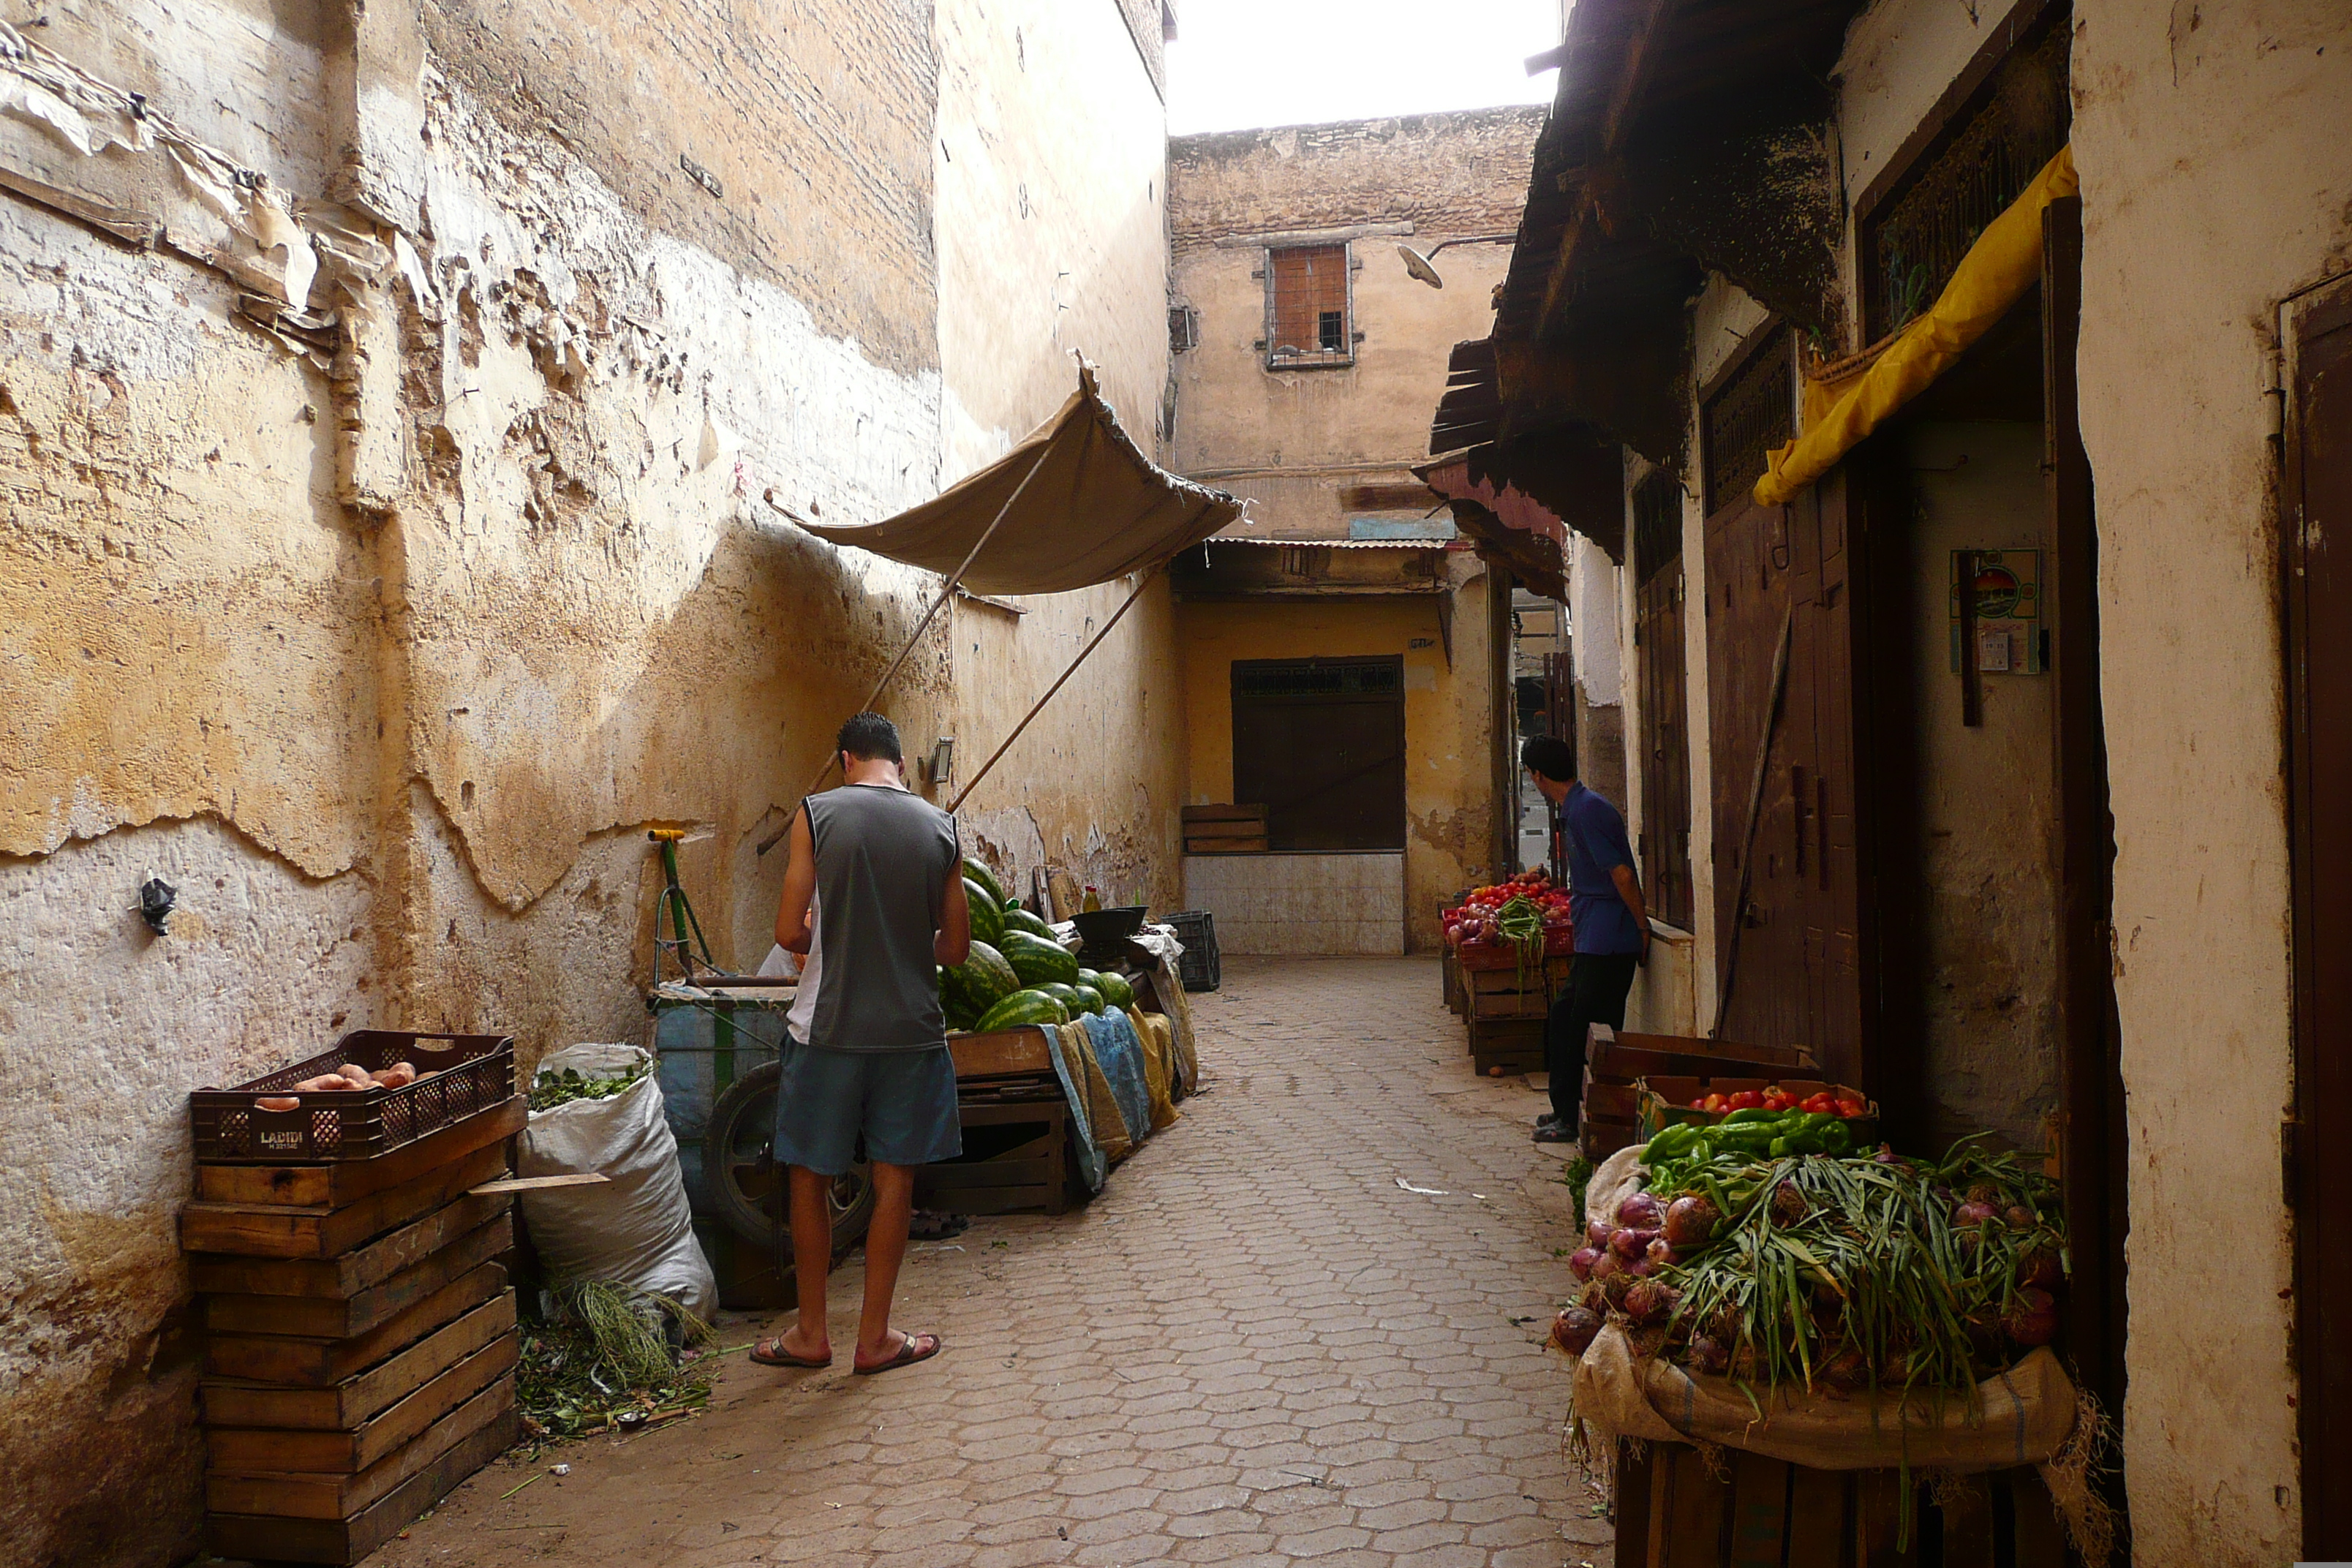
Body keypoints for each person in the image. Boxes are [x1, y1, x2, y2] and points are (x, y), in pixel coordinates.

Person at [749, 712, 970, 1376]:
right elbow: (955, 950)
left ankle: (810, 1334)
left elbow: (789, 930)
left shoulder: (817, 815)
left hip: (827, 1032)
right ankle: (875, 1339)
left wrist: (831, 934)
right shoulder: (941, 827)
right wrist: (904, 942)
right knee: (894, 1179)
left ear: (847, 760)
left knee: (809, 1178)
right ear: (900, 766)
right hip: (911, 1034)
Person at [1520, 735, 1648, 1144]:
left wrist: (1642, 927)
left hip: (1610, 937)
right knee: (1565, 1017)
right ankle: (1566, 1109)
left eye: (1530, 774)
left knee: (1589, 1028)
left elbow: (1622, 874)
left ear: (1538, 775)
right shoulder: (1576, 808)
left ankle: (1584, 1120)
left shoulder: (1587, 810)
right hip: (1595, 932)